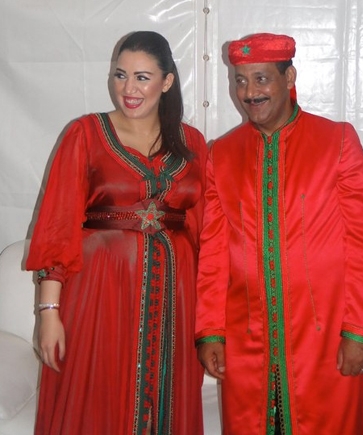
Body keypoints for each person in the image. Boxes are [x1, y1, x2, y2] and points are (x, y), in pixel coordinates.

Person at [195, 33, 363, 435]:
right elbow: (213, 252)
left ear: (290, 77)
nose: (249, 92)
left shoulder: (337, 141)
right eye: (240, 80)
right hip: (248, 341)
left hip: (324, 339)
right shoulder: (221, 154)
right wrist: (210, 331)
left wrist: (361, 332)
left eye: (261, 79)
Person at [26, 30, 207, 435]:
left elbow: (205, 230)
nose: (128, 89)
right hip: (99, 295)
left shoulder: (192, 143)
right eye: (120, 75)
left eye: (142, 77)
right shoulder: (86, 134)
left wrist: (211, 319)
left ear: (167, 81)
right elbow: (58, 225)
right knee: (96, 397)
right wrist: (48, 312)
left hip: (175, 301)